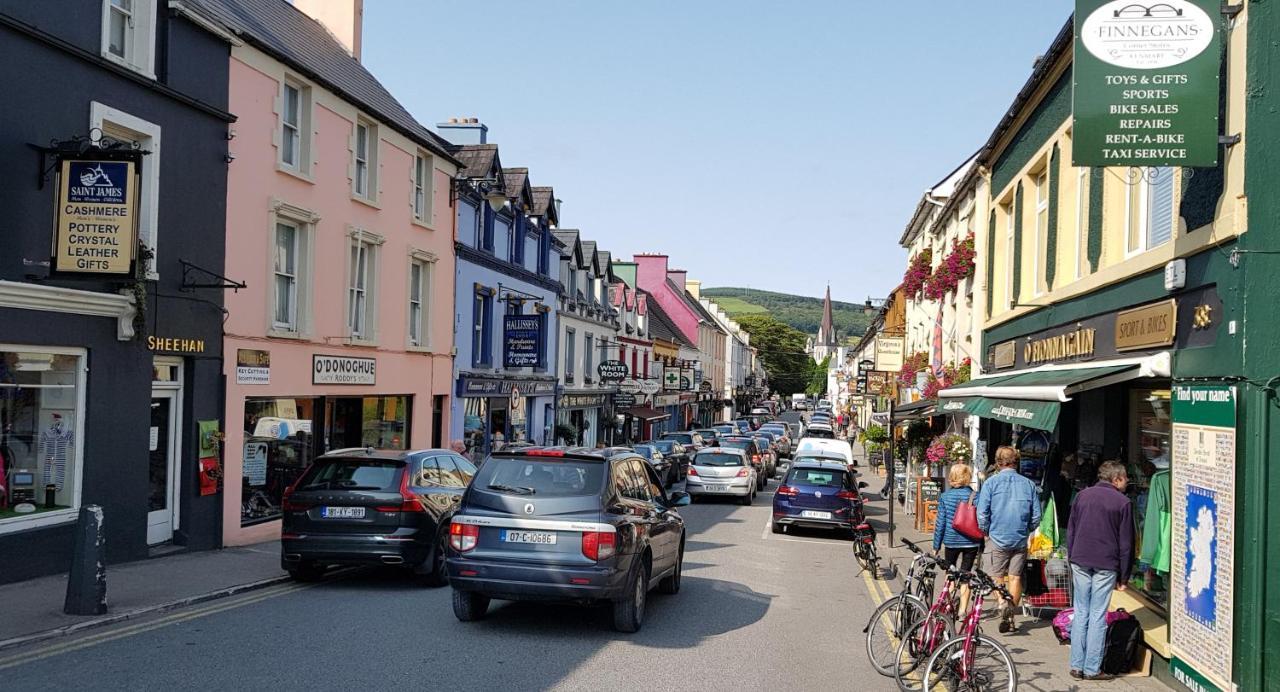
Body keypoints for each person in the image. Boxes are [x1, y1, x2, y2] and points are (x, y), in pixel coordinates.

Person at [1065, 460, 1135, 681]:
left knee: (1081, 611)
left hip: (1080, 559)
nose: (1127, 483)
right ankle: (1092, 668)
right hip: (1106, 563)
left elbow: (1071, 529)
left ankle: (1076, 666)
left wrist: (1071, 556)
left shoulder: (1082, 495)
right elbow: (1126, 544)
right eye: (1125, 478)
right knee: (1097, 615)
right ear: (1116, 479)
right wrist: (1124, 576)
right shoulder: (1123, 502)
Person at [976, 445, 1041, 633]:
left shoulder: (990, 483)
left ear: (997, 462)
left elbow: (982, 513)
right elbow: (1036, 516)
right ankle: (1010, 613)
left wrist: (986, 531)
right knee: (1015, 577)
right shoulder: (1028, 484)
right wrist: (1026, 529)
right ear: (1016, 462)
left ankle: (1003, 604)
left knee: (997, 577)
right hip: (1019, 538)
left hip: (997, 537)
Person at [934, 463, 982, 616]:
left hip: (951, 540)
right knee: (966, 574)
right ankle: (962, 610)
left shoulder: (945, 496)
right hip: (971, 541)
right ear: (967, 477)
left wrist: (936, 545)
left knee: (950, 572)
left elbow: (940, 523)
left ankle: (948, 605)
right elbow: (981, 519)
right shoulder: (975, 496)